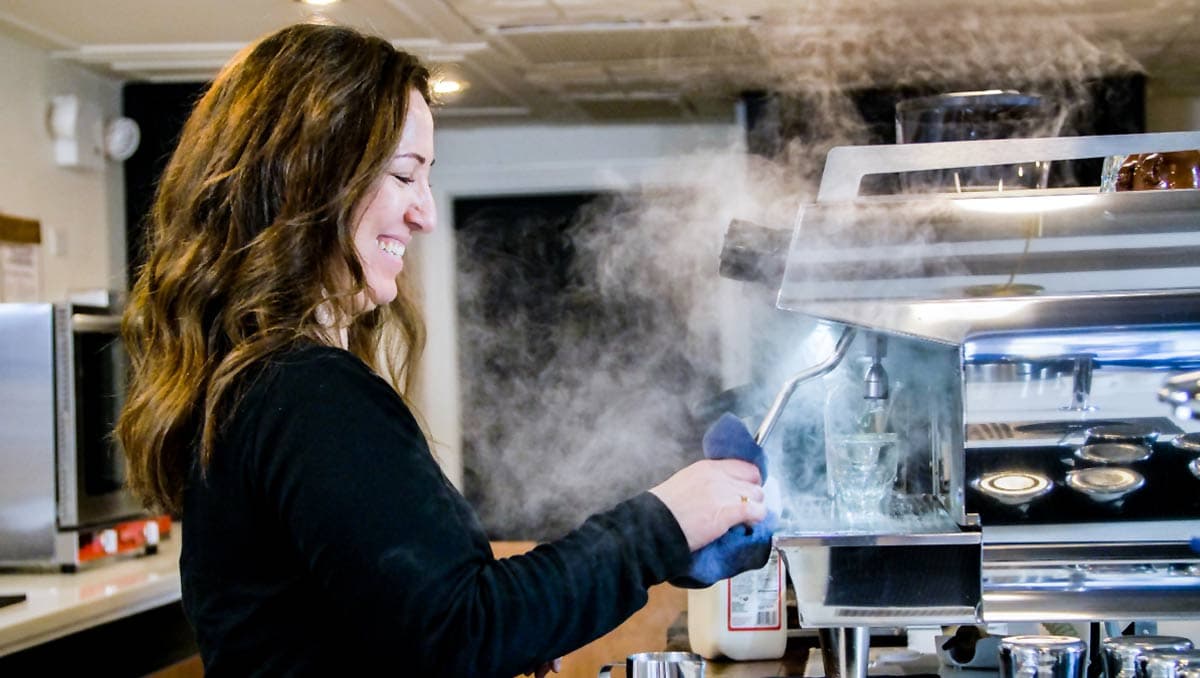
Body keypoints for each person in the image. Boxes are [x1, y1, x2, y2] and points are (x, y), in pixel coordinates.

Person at [117, 22, 769, 677]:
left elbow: (420, 618)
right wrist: (662, 525)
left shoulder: (259, 387)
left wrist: (604, 579)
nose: (425, 214)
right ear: (310, 180)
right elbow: (462, 630)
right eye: (405, 174)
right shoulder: (306, 391)